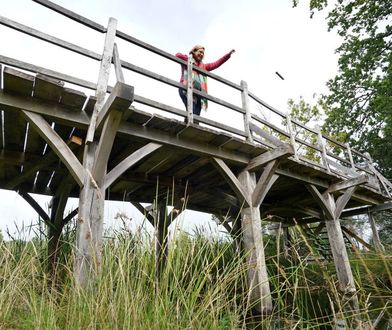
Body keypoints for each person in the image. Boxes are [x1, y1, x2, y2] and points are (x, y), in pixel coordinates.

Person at [176, 45, 235, 116]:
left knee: (196, 115)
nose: (201, 54)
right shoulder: (188, 60)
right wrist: (188, 58)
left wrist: (228, 55)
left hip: (198, 93)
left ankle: (192, 124)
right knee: (192, 111)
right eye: (200, 52)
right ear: (194, 51)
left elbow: (216, 64)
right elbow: (177, 55)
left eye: (203, 53)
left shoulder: (204, 66)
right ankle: (190, 123)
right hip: (186, 89)